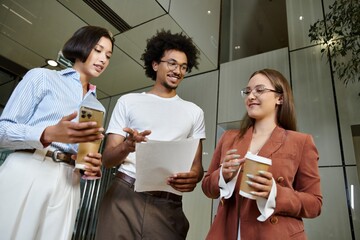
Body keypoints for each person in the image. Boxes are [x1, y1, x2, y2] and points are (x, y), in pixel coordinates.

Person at [0, 25, 114, 240]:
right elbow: (3, 130)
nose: (103, 59)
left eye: (108, 55)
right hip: (29, 169)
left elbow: (84, 154)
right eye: (98, 50)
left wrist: (89, 166)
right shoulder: (42, 77)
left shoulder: (98, 107)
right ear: (82, 46)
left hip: (69, 184)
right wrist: (48, 134)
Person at [95, 29, 206, 240]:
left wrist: (194, 177)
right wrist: (127, 146)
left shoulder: (194, 112)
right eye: (172, 63)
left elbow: (197, 167)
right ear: (155, 64)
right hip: (124, 195)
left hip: (169, 202)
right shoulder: (128, 102)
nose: (178, 71)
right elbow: (107, 159)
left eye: (183, 67)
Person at [202, 69, 322, 240]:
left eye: (259, 90)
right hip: (226, 232)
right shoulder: (229, 138)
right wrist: (223, 175)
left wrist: (274, 192)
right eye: (248, 91)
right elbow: (207, 187)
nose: (251, 96)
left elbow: (314, 204)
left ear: (280, 98)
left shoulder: (301, 142)